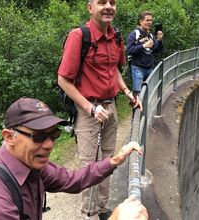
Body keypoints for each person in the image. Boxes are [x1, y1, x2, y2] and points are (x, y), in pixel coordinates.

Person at [0, 97, 143, 220]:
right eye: (39, 136)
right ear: (9, 137)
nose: (49, 144)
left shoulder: (30, 164)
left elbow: (71, 179)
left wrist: (114, 160)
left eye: (54, 135)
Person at [58, 0, 142, 219]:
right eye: (102, 2)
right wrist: (90, 108)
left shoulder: (117, 37)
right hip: (88, 111)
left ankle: (103, 209)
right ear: (90, 7)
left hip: (111, 106)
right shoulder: (79, 36)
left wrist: (127, 92)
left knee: (108, 160)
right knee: (89, 166)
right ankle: (88, 213)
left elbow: (114, 68)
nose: (108, 6)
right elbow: (63, 80)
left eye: (112, 2)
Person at [127, 11, 163, 94]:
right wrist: (143, 46)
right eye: (147, 20)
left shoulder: (150, 35)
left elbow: (156, 50)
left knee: (149, 94)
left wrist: (160, 41)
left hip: (149, 69)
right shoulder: (134, 34)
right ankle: (137, 106)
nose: (150, 22)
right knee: (138, 95)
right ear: (141, 21)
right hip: (138, 68)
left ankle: (146, 107)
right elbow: (129, 50)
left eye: (151, 20)